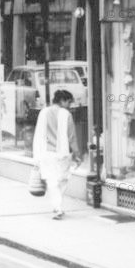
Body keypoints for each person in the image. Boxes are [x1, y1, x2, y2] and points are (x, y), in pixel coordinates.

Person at [32, 90, 80, 220]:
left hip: (46, 153)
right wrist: (77, 154)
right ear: (63, 100)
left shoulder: (43, 112)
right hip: (62, 154)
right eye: (69, 102)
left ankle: (57, 206)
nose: (70, 105)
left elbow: (38, 133)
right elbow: (72, 137)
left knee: (51, 181)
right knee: (62, 180)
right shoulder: (66, 114)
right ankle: (58, 206)